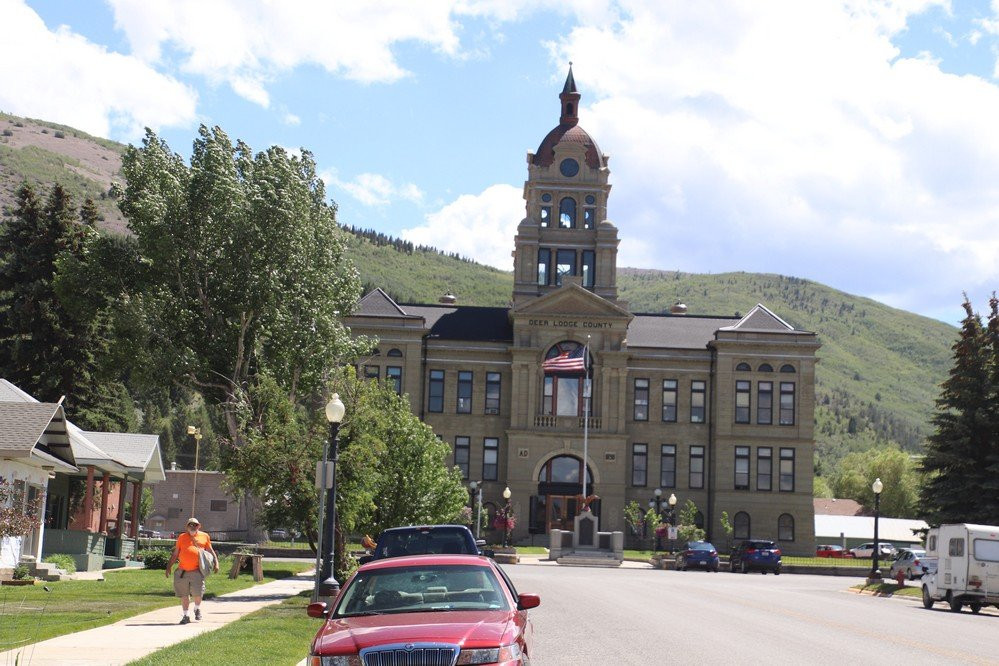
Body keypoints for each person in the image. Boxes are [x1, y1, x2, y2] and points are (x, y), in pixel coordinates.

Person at [165, 517, 219, 624]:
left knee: (198, 594)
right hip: (182, 571)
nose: (193, 527)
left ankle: (197, 608)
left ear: (199, 526)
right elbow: (176, 553)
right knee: (184, 595)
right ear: (187, 526)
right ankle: (186, 616)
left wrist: (216, 563)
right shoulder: (182, 537)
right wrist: (168, 567)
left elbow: (210, 550)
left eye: (195, 525)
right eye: (190, 525)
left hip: (197, 571)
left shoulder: (204, 536)